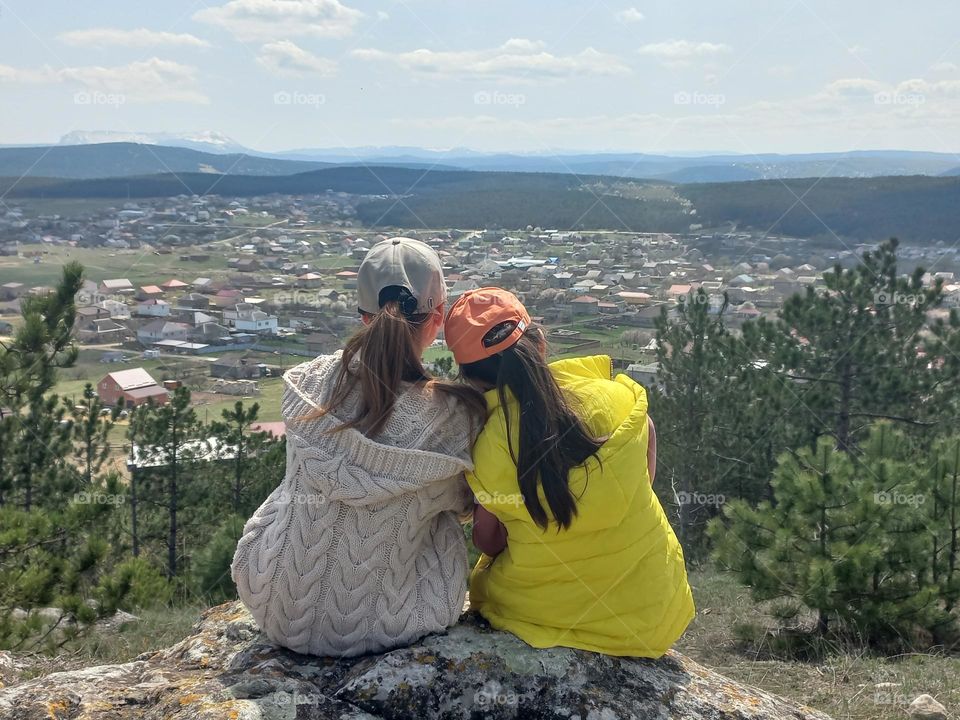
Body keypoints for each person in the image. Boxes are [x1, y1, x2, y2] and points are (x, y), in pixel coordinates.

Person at [232, 238, 483, 657]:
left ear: (362, 315)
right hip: (393, 621)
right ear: (438, 316)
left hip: (274, 602)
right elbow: (464, 508)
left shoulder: (308, 382)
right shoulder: (456, 419)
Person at [444, 287, 695, 658]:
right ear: (540, 343)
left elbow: (489, 542)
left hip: (540, 613)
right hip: (654, 614)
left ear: (470, 378)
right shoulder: (614, 397)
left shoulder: (486, 449)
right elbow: (647, 444)